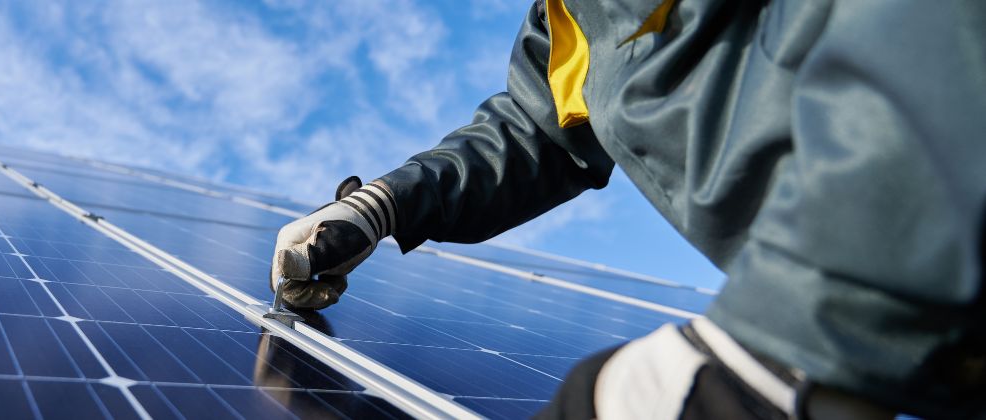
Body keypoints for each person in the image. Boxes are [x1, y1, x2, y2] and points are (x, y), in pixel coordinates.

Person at [270, 0, 986, 418]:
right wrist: (384, 203)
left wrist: (784, 342)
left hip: (887, 267)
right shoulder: (570, 25)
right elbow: (533, 131)